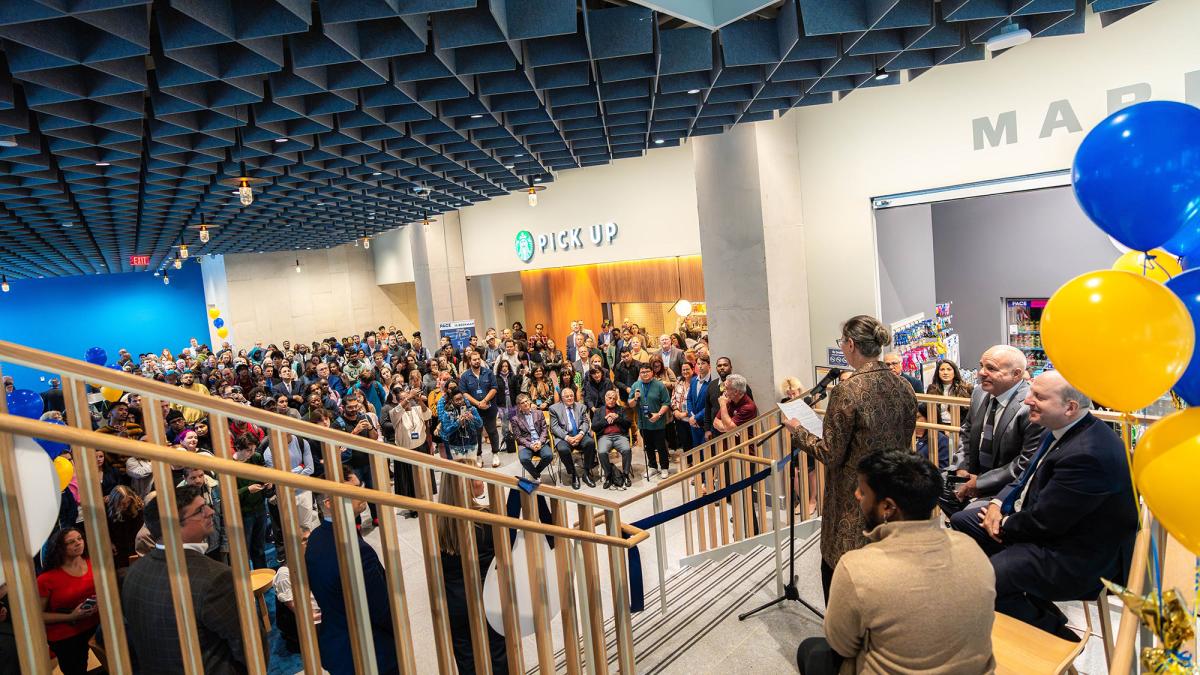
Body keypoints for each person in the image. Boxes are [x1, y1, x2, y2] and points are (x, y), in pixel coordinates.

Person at [950, 371, 1138, 640]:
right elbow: (1024, 477)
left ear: (1070, 407)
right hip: (1047, 529)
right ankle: (1031, 606)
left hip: (1075, 556)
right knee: (962, 521)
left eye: (1038, 396)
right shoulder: (1062, 429)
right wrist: (996, 503)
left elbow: (1045, 522)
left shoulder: (1087, 454)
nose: (1027, 401)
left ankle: (1058, 638)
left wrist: (1003, 524)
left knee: (983, 582)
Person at [797, 450, 995, 675]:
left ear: (887, 507)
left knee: (811, 651)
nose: (856, 495)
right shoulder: (972, 549)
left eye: (863, 491)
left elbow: (842, 645)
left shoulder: (857, 567)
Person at [784, 315, 918, 602]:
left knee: (843, 572)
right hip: (891, 495)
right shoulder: (903, 386)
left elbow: (830, 454)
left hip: (852, 499)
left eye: (842, 342)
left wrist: (798, 432)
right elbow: (906, 441)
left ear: (851, 344)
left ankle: (843, 638)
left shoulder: (847, 390)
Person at [123, 486, 250, 674]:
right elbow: (248, 645)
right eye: (200, 510)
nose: (211, 511)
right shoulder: (215, 578)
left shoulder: (134, 573)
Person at [307, 470, 398, 675]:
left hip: (338, 648)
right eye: (354, 489)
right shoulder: (356, 551)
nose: (362, 493)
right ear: (329, 503)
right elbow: (381, 609)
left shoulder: (315, 540)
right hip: (370, 653)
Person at [951, 346, 1044, 510]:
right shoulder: (979, 392)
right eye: (982, 366)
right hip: (973, 475)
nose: (981, 373)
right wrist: (961, 468)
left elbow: (1025, 463)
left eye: (991, 368)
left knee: (965, 517)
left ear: (1016, 374)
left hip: (1007, 486)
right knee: (930, 489)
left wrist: (980, 483)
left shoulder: (1031, 407)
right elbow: (967, 432)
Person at [436, 475, 509, 674]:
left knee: (466, 660)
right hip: (488, 597)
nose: (482, 479)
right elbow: (508, 541)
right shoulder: (484, 517)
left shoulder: (436, 522)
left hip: (455, 602)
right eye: (477, 476)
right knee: (498, 655)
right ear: (465, 484)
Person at [37, 528, 99, 675]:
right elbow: (38, 616)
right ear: (60, 548)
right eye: (71, 542)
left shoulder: (94, 563)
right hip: (66, 633)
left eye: (79, 538)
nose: (78, 543)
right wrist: (71, 616)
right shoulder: (46, 579)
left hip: (97, 624)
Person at [274, 527, 321, 654]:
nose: (309, 543)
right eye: (305, 540)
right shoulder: (284, 574)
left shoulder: (311, 560)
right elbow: (294, 607)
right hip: (301, 620)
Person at [629, 362, 671, 479]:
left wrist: (658, 414)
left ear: (652, 372)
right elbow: (630, 403)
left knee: (661, 446)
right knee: (648, 446)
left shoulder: (659, 385)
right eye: (642, 372)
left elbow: (666, 402)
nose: (645, 374)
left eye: (647, 371)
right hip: (643, 423)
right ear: (640, 374)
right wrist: (635, 398)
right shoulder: (636, 385)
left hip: (658, 422)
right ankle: (652, 466)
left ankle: (664, 467)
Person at [549, 387, 596, 490]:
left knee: (590, 443)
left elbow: (585, 422)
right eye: (567, 396)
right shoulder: (554, 409)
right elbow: (554, 427)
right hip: (564, 437)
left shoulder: (581, 407)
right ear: (562, 398)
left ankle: (586, 473)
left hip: (580, 435)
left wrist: (581, 434)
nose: (570, 398)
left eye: (571, 396)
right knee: (562, 449)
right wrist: (567, 438)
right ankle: (573, 474)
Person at [460, 351, 501, 468]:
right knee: (476, 433)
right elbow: (464, 393)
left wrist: (484, 401)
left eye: (478, 359)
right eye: (474, 359)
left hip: (489, 407)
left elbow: (494, 388)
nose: (477, 361)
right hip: (474, 410)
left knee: (492, 431)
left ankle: (495, 454)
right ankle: (479, 456)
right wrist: (478, 403)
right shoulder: (465, 376)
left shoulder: (488, 373)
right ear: (469, 361)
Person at [593, 388, 633, 490]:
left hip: (620, 436)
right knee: (602, 452)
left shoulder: (621, 409)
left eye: (614, 398)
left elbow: (628, 424)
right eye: (609, 398)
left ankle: (625, 474)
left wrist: (617, 418)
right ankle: (609, 476)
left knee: (627, 450)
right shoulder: (599, 411)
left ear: (616, 399)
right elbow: (594, 427)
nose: (611, 400)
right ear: (605, 398)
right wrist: (606, 420)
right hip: (604, 437)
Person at [511, 393, 552, 481]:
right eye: (522, 403)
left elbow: (544, 429)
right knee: (524, 459)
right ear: (519, 406)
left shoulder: (539, 413)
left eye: (526, 401)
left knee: (549, 456)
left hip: (540, 442)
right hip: (526, 444)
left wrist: (540, 442)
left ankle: (535, 473)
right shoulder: (515, 419)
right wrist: (530, 445)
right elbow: (518, 437)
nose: (525, 404)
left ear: (529, 402)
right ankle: (537, 476)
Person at [439, 386, 484, 463]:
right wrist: (458, 423)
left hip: (471, 444)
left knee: (472, 470)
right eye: (457, 400)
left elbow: (480, 424)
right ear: (452, 401)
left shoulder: (471, 409)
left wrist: (472, 417)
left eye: (461, 399)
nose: (460, 401)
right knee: (460, 473)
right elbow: (446, 431)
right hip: (456, 447)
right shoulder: (448, 413)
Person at [925, 358, 973, 424]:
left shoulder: (966, 388)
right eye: (942, 369)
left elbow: (970, 414)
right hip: (938, 427)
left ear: (955, 372)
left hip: (960, 427)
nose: (945, 373)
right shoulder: (932, 389)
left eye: (949, 369)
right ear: (938, 372)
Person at [685, 354, 712, 452]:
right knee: (696, 450)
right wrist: (692, 415)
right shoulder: (693, 380)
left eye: (703, 363)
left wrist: (696, 417)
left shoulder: (712, 382)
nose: (700, 366)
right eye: (698, 364)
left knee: (706, 452)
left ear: (709, 365)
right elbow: (689, 399)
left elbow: (711, 405)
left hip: (706, 422)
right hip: (694, 423)